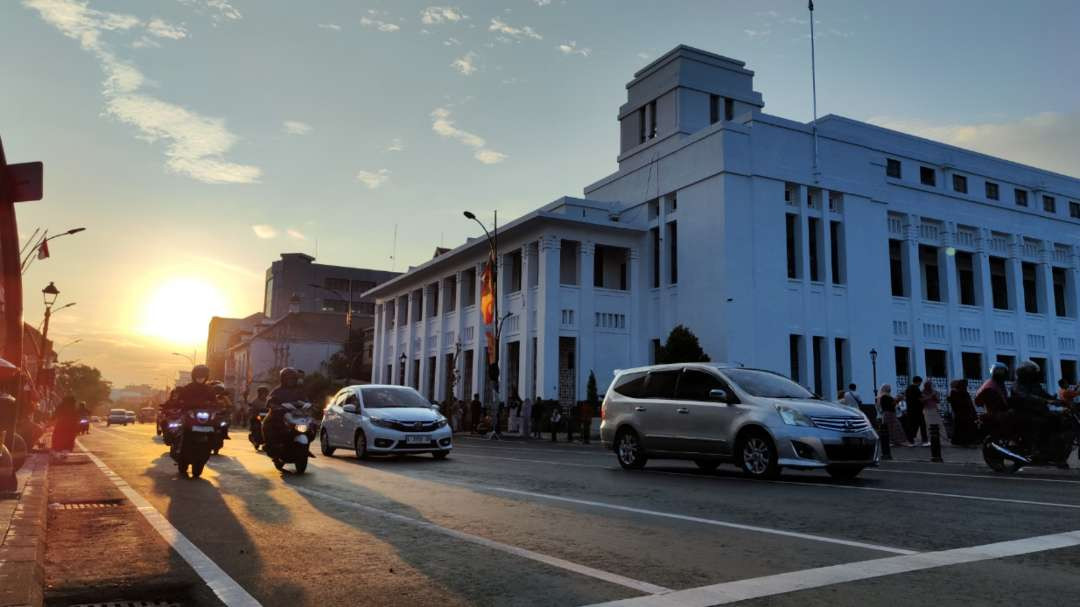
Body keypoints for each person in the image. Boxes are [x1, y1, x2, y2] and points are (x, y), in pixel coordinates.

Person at [1010, 360, 1066, 465]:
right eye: (1032, 373)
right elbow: (1027, 396)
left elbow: (1043, 393)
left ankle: (1054, 451)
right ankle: (1035, 450)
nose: (1035, 375)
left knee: (1057, 418)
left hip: (1037, 411)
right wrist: (1045, 400)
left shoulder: (1034, 384)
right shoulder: (1017, 385)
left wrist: (1056, 400)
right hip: (1023, 413)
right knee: (1041, 423)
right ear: (1025, 374)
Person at [262, 367, 306, 453]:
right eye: (288, 379)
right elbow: (270, 400)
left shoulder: (299, 391)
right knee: (266, 423)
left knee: (310, 424)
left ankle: (304, 447)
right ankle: (269, 444)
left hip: (295, 415)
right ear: (283, 379)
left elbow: (305, 400)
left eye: (293, 379)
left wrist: (310, 404)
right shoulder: (277, 390)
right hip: (279, 415)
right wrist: (273, 405)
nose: (290, 381)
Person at [947, 379, 979, 446]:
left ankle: (965, 441)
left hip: (966, 413)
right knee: (961, 427)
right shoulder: (955, 392)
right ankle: (961, 441)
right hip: (961, 413)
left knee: (965, 427)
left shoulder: (964, 392)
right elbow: (956, 403)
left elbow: (969, 403)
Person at [903, 376, 928, 446]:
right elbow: (921, 399)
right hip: (918, 410)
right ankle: (925, 441)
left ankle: (911, 441)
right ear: (919, 382)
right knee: (922, 425)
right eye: (920, 382)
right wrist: (926, 398)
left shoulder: (908, 388)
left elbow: (906, 398)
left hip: (910, 410)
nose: (921, 384)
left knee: (911, 425)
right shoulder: (916, 389)